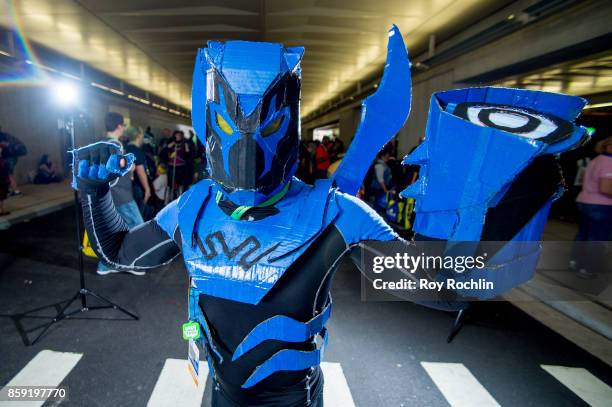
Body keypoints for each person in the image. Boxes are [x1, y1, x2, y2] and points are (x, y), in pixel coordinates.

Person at [70, 32, 589, 407]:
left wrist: (498, 191)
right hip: (221, 393)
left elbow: (442, 283)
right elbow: (120, 251)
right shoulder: (196, 205)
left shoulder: (334, 212)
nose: (248, 143)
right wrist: (95, 191)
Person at [95, 112, 145, 276]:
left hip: (108, 194)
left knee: (116, 231)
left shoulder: (102, 142)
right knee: (137, 227)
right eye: (123, 125)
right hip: (120, 194)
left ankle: (105, 265)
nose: (123, 128)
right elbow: (118, 167)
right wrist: (129, 166)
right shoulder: (115, 145)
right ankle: (132, 264)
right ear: (119, 126)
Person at [571, 136, 612, 276]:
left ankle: (576, 261)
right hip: (601, 205)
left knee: (584, 234)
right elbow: (605, 188)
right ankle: (588, 267)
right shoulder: (609, 162)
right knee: (597, 238)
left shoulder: (596, 160)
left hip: (585, 200)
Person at [124, 126, 152, 214]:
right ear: (138, 136)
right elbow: (141, 172)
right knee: (139, 214)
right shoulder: (137, 151)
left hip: (128, 187)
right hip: (138, 188)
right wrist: (147, 189)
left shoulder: (125, 148)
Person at [160, 130, 193, 197]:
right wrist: (173, 143)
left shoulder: (184, 144)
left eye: (179, 135)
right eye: (176, 135)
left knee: (180, 184)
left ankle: (179, 196)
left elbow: (188, 155)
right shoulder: (171, 143)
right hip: (171, 167)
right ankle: (170, 196)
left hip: (181, 168)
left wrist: (186, 147)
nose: (178, 137)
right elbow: (165, 150)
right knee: (170, 184)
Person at [0, 126, 27, 196]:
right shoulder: (6, 135)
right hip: (13, 157)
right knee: (8, 175)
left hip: (7, 158)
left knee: (9, 175)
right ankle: (11, 190)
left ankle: (17, 191)